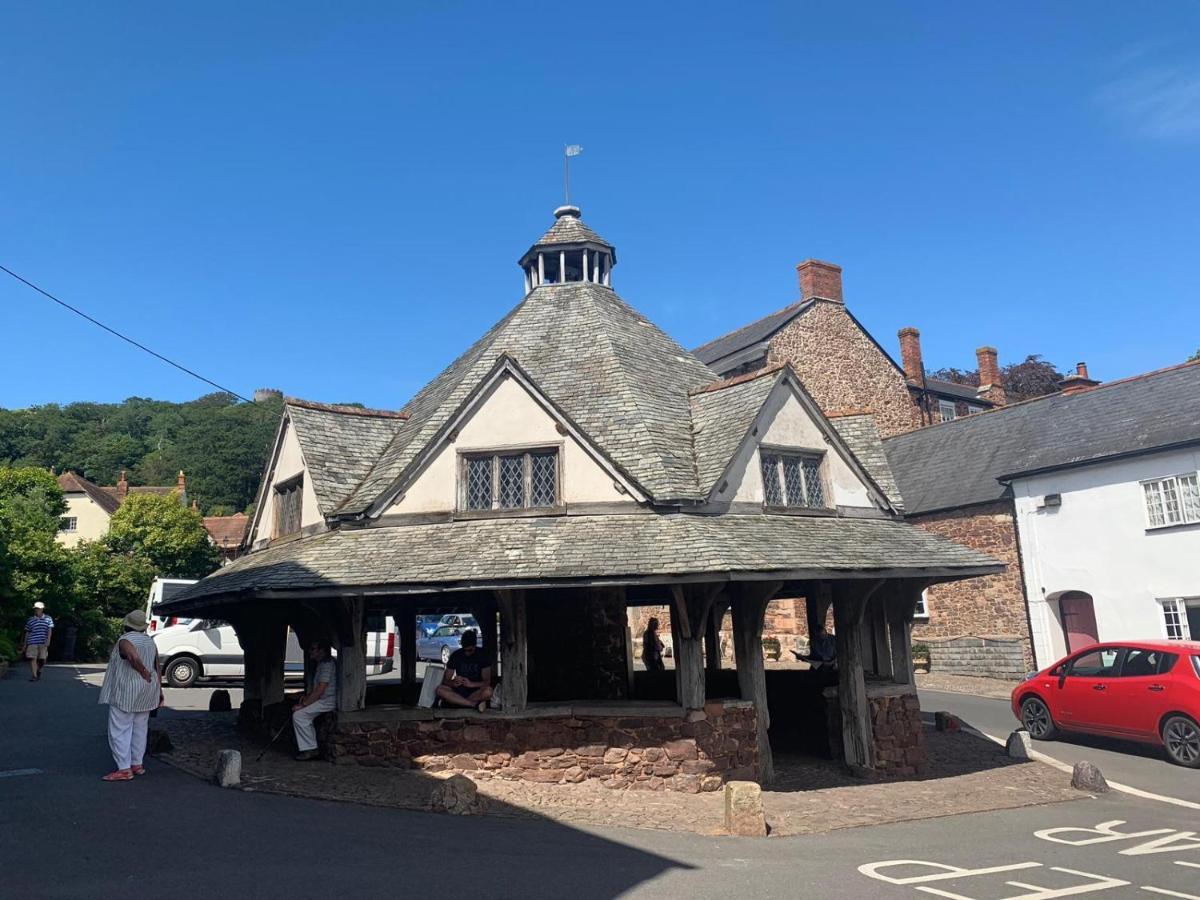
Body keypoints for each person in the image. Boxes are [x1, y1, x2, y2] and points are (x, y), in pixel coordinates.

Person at [98, 610, 162, 781]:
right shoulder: (150, 641)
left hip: (127, 689)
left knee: (120, 728)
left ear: (127, 624)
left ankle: (124, 768)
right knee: (140, 727)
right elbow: (157, 665)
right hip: (148, 690)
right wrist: (159, 690)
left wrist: (142, 672)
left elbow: (132, 656)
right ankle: (137, 763)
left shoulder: (125, 640)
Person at [292, 640, 337, 761]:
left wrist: (304, 704)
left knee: (299, 716)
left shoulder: (327, 664)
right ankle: (309, 746)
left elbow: (321, 688)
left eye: (313, 649)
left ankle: (310, 748)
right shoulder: (323, 663)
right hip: (324, 699)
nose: (310, 652)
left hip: (328, 700)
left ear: (321, 651)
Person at [435, 629, 493, 712]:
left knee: (488, 691)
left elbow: (487, 682)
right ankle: (473, 705)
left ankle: (456, 703)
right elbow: (445, 680)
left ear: (475, 646)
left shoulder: (483, 655)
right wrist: (453, 682)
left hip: (475, 691)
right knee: (440, 690)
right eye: (464, 650)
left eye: (470, 650)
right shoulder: (456, 655)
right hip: (458, 691)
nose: (467, 653)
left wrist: (471, 684)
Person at [21, 602, 54, 681]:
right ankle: (34, 676)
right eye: (36, 608)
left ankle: (38, 670)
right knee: (32, 658)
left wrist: (48, 640)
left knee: (42, 659)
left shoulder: (48, 618)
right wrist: (25, 644)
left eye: (39, 608)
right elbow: (27, 632)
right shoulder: (31, 620)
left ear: (42, 609)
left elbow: (49, 630)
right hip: (32, 641)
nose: (37, 610)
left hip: (43, 641)